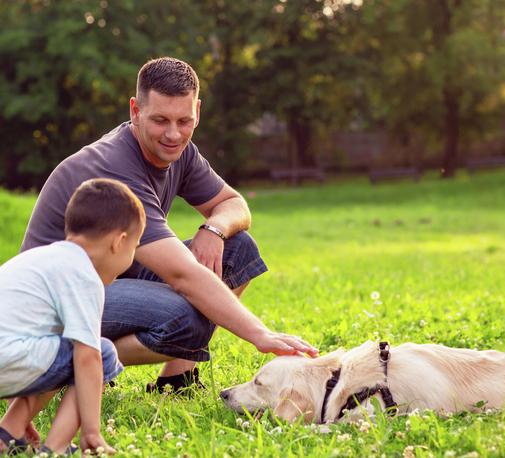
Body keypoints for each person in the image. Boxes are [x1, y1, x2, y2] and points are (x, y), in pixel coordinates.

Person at [21, 57, 318, 394]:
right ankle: (76, 363)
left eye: (184, 120)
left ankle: (176, 380)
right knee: (183, 317)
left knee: (239, 249)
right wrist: (260, 335)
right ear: (135, 110)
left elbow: (234, 205)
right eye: (160, 120)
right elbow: (182, 276)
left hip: (115, 275)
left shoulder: (181, 151)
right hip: (56, 304)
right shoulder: (116, 164)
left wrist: (215, 229)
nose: (174, 134)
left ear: (198, 112)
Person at [1, 178, 144, 455]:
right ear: (119, 241)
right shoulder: (83, 274)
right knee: (101, 352)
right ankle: (57, 447)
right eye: (135, 247)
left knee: (59, 348)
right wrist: (91, 430)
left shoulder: (41, 259)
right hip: (9, 357)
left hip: (10, 356)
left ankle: (8, 432)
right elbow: (87, 357)